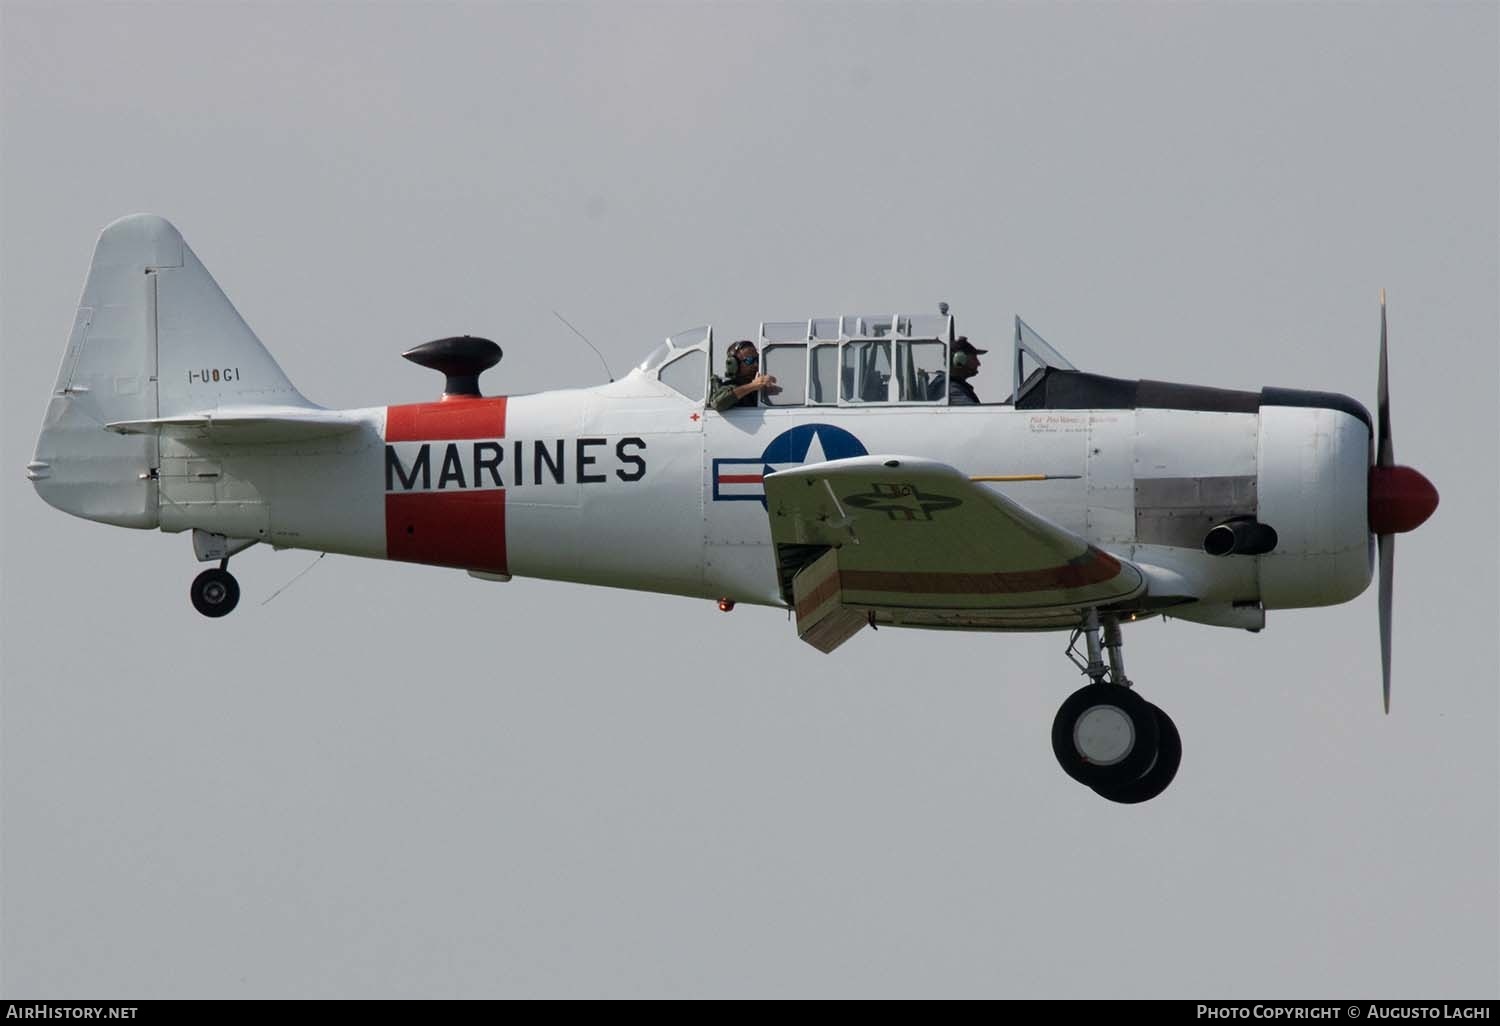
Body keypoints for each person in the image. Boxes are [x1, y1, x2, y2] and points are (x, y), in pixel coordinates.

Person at [708, 340, 778, 411]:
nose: (755, 364)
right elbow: (717, 403)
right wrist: (753, 386)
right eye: (749, 360)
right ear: (734, 364)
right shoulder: (729, 386)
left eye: (757, 359)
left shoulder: (760, 385)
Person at [948, 336, 987, 405]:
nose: (978, 363)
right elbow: (974, 413)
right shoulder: (951, 390)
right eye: (974, 358)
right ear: (959, 360)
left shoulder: (954, 386)